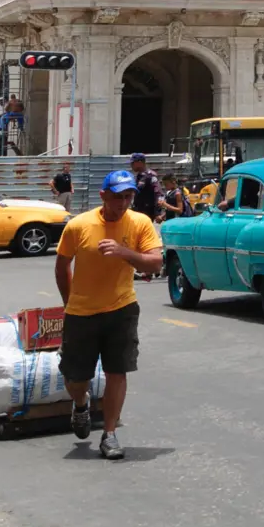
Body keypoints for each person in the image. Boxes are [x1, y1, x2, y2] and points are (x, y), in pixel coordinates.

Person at [56, 170, 164, 460]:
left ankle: (110, 433)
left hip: (122, 307)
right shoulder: (79, 225)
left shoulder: (140, 223)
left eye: (128, 196)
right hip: (81, 311)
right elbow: (62, 264)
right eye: (117, 197)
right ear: (103, 196)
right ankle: (81, 404)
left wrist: (124, 252)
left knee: (117, 371)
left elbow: (155, 263)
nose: (123, 203)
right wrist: (69, 302)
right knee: (75, 376)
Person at [128, 155, 162, 277]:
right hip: (138, 212)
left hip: (147, 213)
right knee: (138, 240)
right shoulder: (138, 177)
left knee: (146, 241)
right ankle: (145, 267)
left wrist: (158, 213)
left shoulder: (150, 176)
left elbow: (158, 194)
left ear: (141, 162)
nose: (131, 166)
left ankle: (152, 267)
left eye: (133, 163)